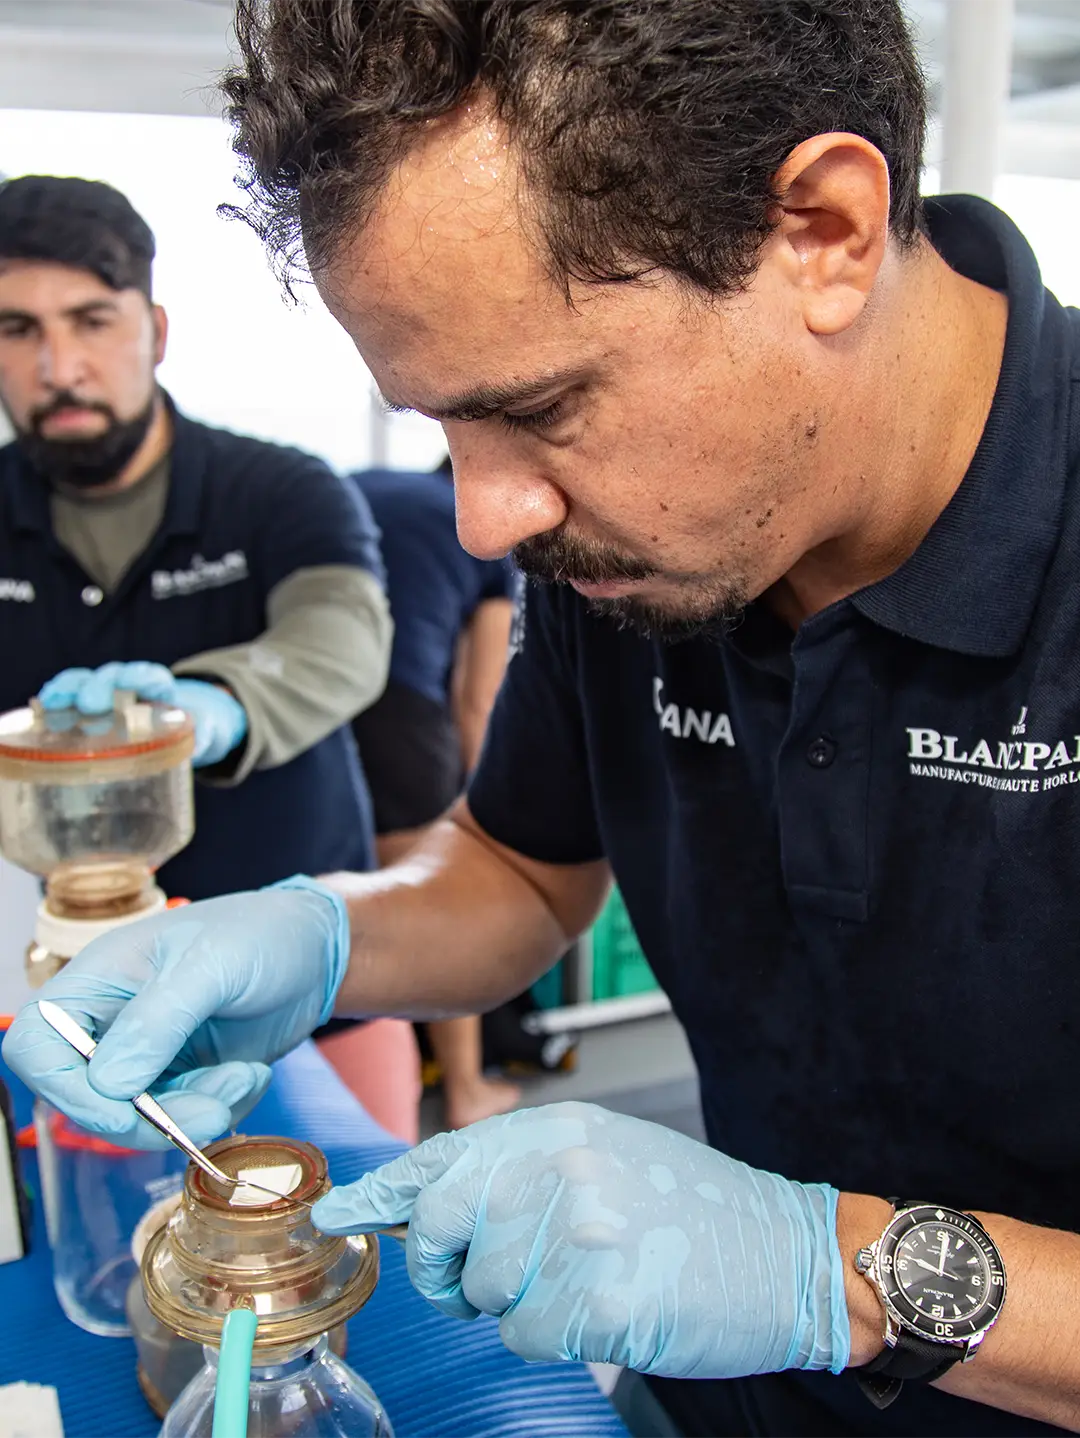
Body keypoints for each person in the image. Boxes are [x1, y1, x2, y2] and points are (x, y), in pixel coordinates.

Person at [7, 5, 1080, 1435]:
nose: (486, 517)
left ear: (823, 232)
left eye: (546, 405)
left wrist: (838, 1274)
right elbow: (520, 870)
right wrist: (318, 934)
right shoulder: (622, 538)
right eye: (443, 426)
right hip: (722, 1398)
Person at [0, 173, 393, 899]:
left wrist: (214, 703)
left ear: (156, 333)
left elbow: (344, 636)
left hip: (300, 939)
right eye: (17, 330)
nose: (59, 369)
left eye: (92, 321)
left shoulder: (283, 489)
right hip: (58, 942)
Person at [338, 456, 523, 1130]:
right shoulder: (487, 535)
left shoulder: (363, 482)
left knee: (347, 900)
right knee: (435, 910)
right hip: (399, 709)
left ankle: (359, 1095)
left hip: (307, 709)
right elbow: (479, 701)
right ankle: (466, 1090)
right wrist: (480, 813)